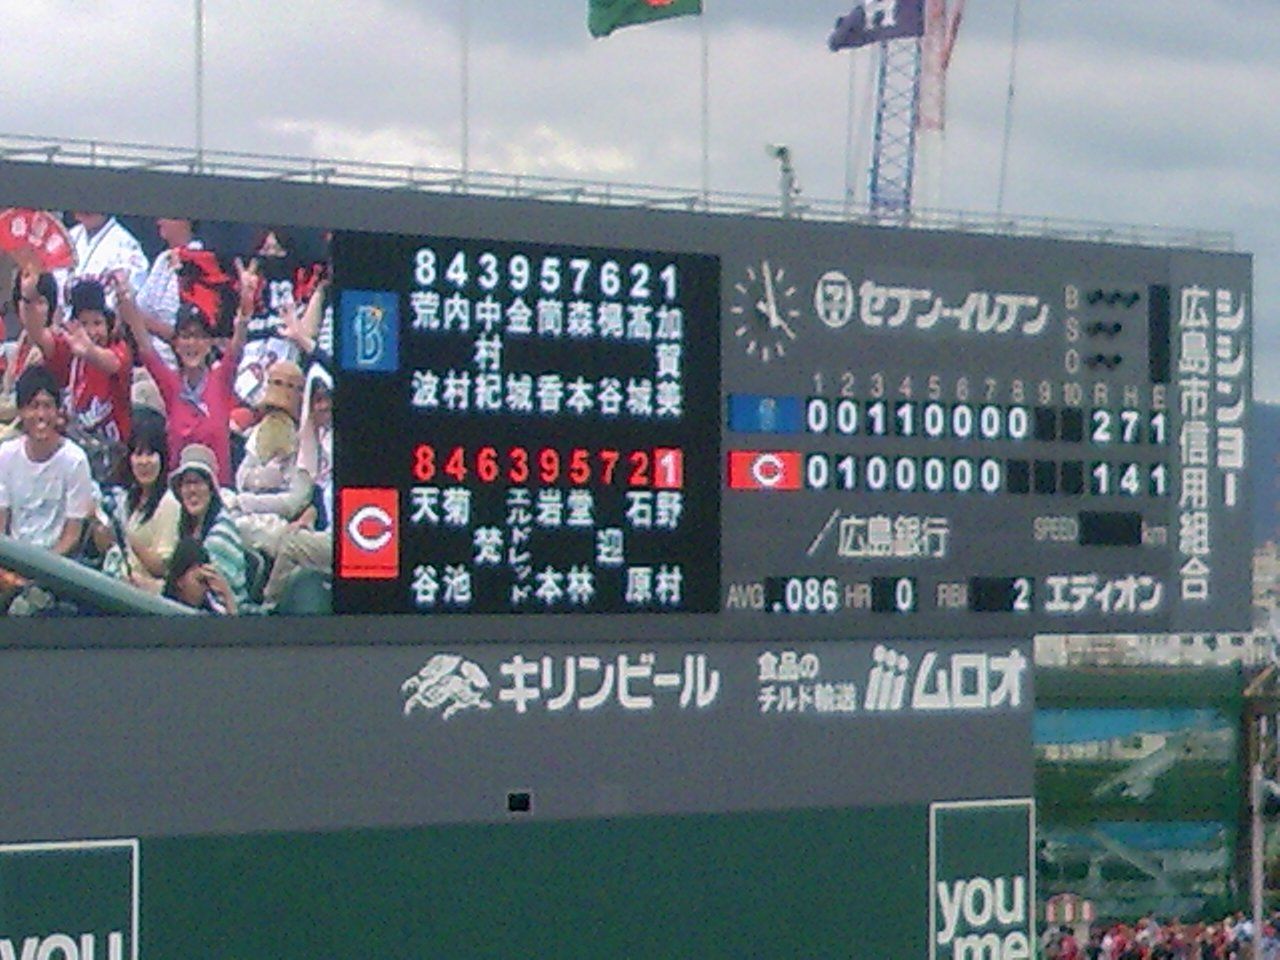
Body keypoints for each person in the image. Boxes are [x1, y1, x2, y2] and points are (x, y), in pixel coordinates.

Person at [113, 260, 256, 485]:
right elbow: (145, 345)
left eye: (199, 336)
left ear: (209, 343)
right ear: (176, 344)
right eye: (186, 337)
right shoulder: (171, 385)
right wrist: (127, 300)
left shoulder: (221, 379)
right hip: (179, 493)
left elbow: (237, 346)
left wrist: (246, 307)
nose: (192, 344)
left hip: (219, 493)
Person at [18, 274, 133, 475]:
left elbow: (112, 364)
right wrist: (28, 297)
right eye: (83, 323)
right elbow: (37, 333)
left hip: (114, 461)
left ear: (109, 324)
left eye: (97, 323)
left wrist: (89, 351)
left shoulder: (118, 349)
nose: (91, 331)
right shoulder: (69, 350)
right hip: (75, 458)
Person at [0, 366, 95, 555]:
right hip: (14, 558)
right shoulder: (6, 455)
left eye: (47, 406)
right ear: (21, 411)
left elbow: (72, 535)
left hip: (56, 563)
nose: (41, 415)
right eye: (34, 406)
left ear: (58, 411)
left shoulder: (75, 460)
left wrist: (41, 567)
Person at [232, 358, 311, 555]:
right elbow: (241, 478)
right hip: (247, 510)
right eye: (272, 411)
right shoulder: (260, 432)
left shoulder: (305, 442)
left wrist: (247, 502)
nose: (276, 418)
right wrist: (259, 479)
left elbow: (294, 502)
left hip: (281, 524)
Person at [100, 411, 181, 593]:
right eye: (138, 454)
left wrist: (127, 536)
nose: (144, 462)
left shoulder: (169, 504)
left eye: (150, 454)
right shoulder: (130, 499)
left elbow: (162, 568)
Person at [168, 443, 248, 609]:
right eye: (186, 484)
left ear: (211, 489)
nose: (192, 490)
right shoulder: (185, 526)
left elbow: (213, 600)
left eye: (198, 482)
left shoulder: (221, 534)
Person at [163, 537, 238, 614]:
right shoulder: (162, 609)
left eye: (207, 583)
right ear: (180, 581)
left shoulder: (209, 612)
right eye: (201, 581)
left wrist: (227, 596)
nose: (205, 589)